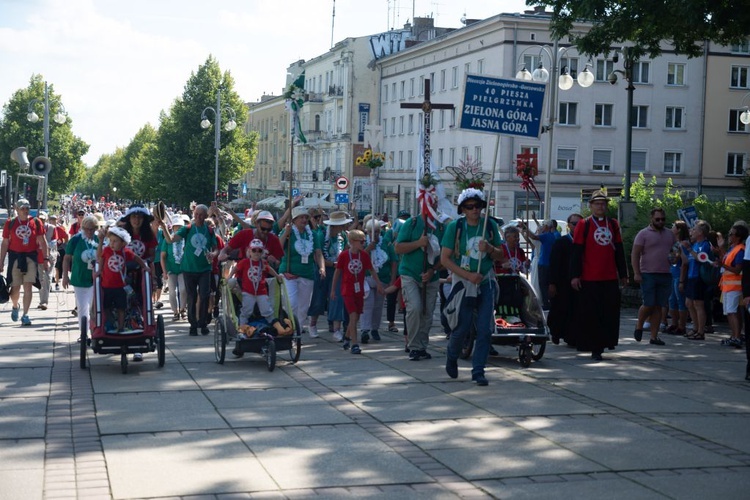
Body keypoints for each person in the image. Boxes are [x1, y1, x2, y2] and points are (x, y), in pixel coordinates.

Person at [441, 188, 504, 384]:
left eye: (477, 206)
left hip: (486, 280)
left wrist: (491, 249)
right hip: (463, 280)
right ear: (463, 209)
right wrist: (468, 275)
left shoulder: (490, 225)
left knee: (485, 329)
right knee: (462, 326)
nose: (475, 210)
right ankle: (452, 355)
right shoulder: (455, 227)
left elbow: (500, 254)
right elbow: (445, 259)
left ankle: (479, 371)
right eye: (470, 207)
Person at [570, 190, 628, 361]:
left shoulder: (613, 224)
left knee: (608, 314)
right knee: (592, 314)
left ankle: (605, 343)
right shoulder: (584, 224)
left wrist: (623, 274)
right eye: (597, 204)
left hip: (609, 277)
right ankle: (594, 347)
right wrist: (575, 275)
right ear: (591, 206)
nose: (600, 206)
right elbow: (576, 252)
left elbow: (619, 250)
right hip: (589, 277)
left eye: (603, 204)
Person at [395, 203, 443, 361]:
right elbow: (398, 247)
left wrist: (432, 270)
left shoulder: (441, 227)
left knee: (428, 312)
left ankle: (422, 345)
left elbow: (446, 255)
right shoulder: (412, 223)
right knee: (415, 308)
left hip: (431, 276)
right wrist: (418, 243)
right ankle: (414, 345)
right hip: (410, 274)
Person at [162, 204, 219, 336]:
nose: (198, 217)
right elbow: (170, 240)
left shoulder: (209, 231)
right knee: (191, 297)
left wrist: (213, 254)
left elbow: (216, 249)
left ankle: (203, 324)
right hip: (188, 269)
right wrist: (164, 226)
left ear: (205, 216)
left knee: (204, 296)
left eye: (201, 215)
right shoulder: (187, 229)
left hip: (205, 269)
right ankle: (193, 325)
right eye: (196, 214)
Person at [330, 229, 384, 354]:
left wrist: (379, 285)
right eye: (361, 241)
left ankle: (347, 337)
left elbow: (371, 270)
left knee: (357, 316)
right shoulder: (344, 255)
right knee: (353, 316)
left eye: (364, 241)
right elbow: (337, 273)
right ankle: (355, 344)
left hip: (359, 290)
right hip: (347, 290)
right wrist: (333, 290)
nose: (364, 243)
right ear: (353, 242)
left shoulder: (364, 255)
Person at [0, 199, 49, 326]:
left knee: (28, 286)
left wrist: (46, 259)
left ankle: (25, 315)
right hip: (15, 257)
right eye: (22, 208)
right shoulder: (10, 223)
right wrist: (1, 262)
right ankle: (15, 306)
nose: (25, 210)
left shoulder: (36, 222)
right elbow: (5, 243)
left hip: (30, 257)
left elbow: (43, 241)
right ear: (16, 209)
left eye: (27, 208)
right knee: (15, 288)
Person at [631, 208, 676, 346]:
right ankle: (639, 325)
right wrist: (636, 272)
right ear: (651, 219)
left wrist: (674, 258)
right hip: (648, 273)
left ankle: (654, 336)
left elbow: (673, 251)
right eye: (657, 219)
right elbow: (635, 253)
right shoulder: (643, 234)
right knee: (649, 303)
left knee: (659, 306)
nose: (661, 221)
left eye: (663, 219)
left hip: (665, 274)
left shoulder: (670, 234)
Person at [278, 206, 325, 336]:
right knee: (292, 303)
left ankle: (298, 330)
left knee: (304, 307)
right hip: (289, 273)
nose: (304, 220)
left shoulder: (313, 234)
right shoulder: (289, 232)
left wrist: (322, 267)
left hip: (307, 273)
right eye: (301, 217)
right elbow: (278, 247)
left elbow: (318, 253)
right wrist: (286, 233)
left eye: (306, 217)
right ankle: (289, 326)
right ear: (294, 220)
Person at [95, 226, 148, 333]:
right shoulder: (107, 250)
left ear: (123, 243)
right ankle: (110, 324)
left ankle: (120, 327)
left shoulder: (126, 252)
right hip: (107, 285)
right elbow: (100, 257)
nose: (112, 243)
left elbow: (137, 258)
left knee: (121, 308)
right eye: (111, 241)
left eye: (115, 241)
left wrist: (144, 266)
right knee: (106, 307)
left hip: (120, 287)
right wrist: (99, 270)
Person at [547, 213, 583, 346]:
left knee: (576, 310)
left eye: (580, 224)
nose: (577, 226)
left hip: (579, 281)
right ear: (569, 226)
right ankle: (556, 332)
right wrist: (552, 283)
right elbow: (554, 264)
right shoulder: (561, 242)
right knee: (559, 308)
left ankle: (572, 336)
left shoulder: (585, 242)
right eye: (574, 224)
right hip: (562, 282)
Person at [360, 218, 397, 343]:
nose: (374, 234)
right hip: (367, 278)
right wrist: (368, 249)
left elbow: (393, 261)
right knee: (368, 304)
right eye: (371, 232)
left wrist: (392, 279)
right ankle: (365, 329)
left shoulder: (386, 243)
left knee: (378, 306)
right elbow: (358, 258)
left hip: (383, 279)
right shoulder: (363, 243)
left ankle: (375, 328)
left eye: (376, 231)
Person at [231, 239, 282, 325]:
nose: (256, 253)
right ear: (249, 252)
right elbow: (235, 268)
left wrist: (277, 276)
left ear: (262, 252)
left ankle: (274, 326)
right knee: (246, 311)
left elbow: (270, 270)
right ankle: (242, 328)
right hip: (248, 292)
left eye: (259, 250)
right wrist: (229, 277)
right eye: (254, 250)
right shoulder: (245, 262)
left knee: (267, 310)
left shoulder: (263, 263)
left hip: (261, 292)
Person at [62, 215, 100, 325]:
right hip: (79, 277)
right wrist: (65, 276)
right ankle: (84, 333)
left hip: (96, 278)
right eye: (87, 228)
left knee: (94, 306)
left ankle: (94, 330)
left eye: (92, 228)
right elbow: (66, 258)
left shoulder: (99, 239)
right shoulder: (76, 239)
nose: (90, 231)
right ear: (82, 228)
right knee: (83, 306)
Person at [680, 220, 713, 340]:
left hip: (699, 278)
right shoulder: (695, 244)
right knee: (689, 303)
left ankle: (700, 331)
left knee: (698, 304)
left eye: (694, 229)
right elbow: (688, 260)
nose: (692, 231)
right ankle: (695, 327)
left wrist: (689, 249)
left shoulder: (704, 244)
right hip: (691, 276)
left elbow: (701, 259)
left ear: (700, 232)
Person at [716, 224, 747, 348]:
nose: (729, 235)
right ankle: (734, 336)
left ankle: (736, 337)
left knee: (732, 312)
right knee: (731, 312)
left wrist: (722, 265)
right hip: (728, 287)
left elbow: (737, 269)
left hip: (734, 287)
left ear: (738, 237)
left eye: (731, 234)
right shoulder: (733, 248)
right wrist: (720, 250)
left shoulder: (740, 249)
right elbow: (725, 261)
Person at [522, 217, 559, 309]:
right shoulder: (552, 236)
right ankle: (549, 303)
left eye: (543, 225)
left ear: (546, 226)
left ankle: (546, 304)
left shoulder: (546, 236)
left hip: (543, 263)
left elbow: (533, 237)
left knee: (542, 284)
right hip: (549, 263)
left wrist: (525, 228)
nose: (542, 227)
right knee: (547, 284)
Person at [160, 214, 188, 321]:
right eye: (176, 226)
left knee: (183, 289)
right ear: (173, 227)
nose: (178, 228)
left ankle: (182, 309)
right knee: (172, 291)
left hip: (183, 269)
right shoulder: (168, 239)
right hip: (171, 269)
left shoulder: (186, 238)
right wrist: (164, 271)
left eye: (180, 227)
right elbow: (163, 256)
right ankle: (175, 311)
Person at [665, 221, 690, 336]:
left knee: (680, 301)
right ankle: (674, 324)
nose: (671, 228)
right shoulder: (675, 243)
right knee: (672, 301)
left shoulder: (683, 244)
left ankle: (682, 326)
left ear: (679, 229)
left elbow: (684, 262)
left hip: (678, 275)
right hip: (672, 273)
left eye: (673, 226)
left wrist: (681, 280)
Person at [36, 211, 63, 311]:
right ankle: (41, 300)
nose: (41, 221)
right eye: (40, 219)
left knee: (47, 277)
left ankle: (44, 302)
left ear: (46, 219)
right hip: (38, 257)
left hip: (50, 256)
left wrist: (43, 243)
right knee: (40, 279)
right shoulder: (34, 228)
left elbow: (54, 242)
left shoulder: (52, 228)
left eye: (43, 219)